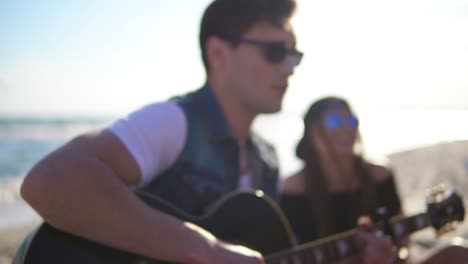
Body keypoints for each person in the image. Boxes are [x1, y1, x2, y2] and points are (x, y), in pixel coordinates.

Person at [19, 1, 393, 263]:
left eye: (294, 54)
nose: (290, 66)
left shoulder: (266, 161)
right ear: (218, 53)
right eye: (275, 51)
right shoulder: (175, 121)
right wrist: (205, 250)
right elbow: (50, 182)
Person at [280, 96, 468, 263]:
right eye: (335, 121)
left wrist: (392, 255)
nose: (346, 128)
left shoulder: (379, 174)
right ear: (312, 132)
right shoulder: (294, 188)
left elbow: (403, 240)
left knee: (457, 253)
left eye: (351, 120)